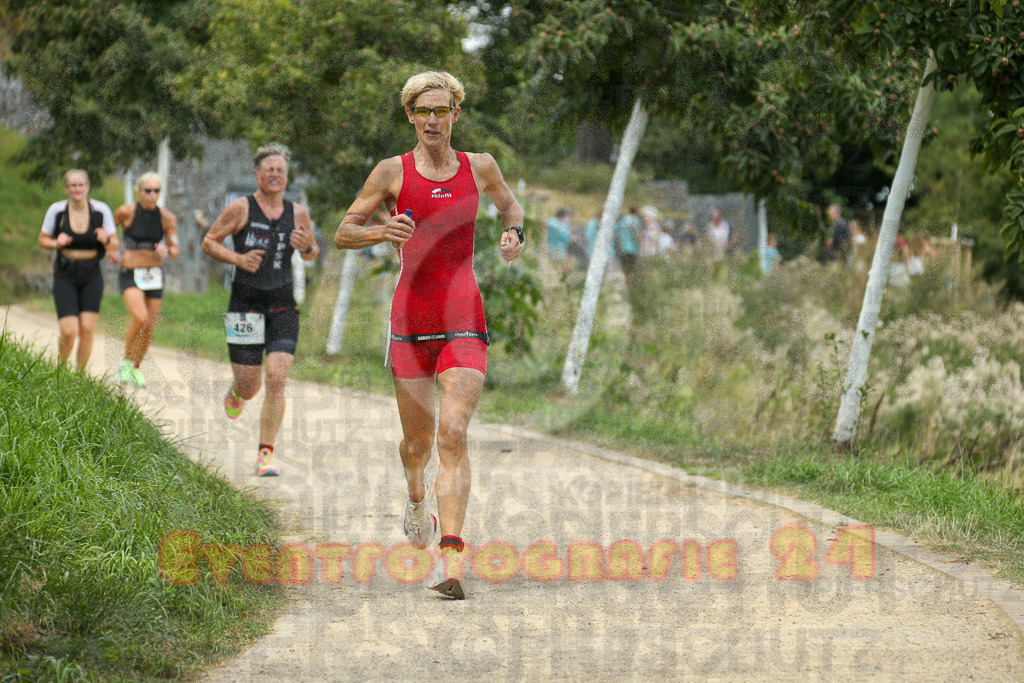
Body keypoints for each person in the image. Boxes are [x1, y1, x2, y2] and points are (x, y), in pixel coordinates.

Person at [333, 71, 523, 600]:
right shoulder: (390, 171)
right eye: (423, 111)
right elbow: (344, 231)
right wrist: (381, 231)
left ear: (455, 115)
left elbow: (510, 206)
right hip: (411, 323)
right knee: (417, 444)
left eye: (442, 110)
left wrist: (514, 232)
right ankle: (416, 497)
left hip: (464, 314)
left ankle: (452, 561)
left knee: (453, 434)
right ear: (411, 116)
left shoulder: (480, 166)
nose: (433, 119)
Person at [201, 143, 319, 476]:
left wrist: (307, 247)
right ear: (257, 175)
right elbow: (209, 241)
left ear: (287, 177)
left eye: (280, 171)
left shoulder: (298, 213)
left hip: (282, 305)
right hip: (245, 305)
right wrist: (237, 259)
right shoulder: (241, 208)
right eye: (269, 170)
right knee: (250, 386)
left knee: (277, 378)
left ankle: (264, 456)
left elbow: (312, 252)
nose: (275, 175)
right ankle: (238, 392)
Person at [37, 169, 118, 368]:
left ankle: (80, 376)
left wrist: (106, 239)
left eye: (81, 185)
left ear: (87, 187)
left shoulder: (101, 210)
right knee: (68, 330)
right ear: (66, 189)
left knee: (87, 329)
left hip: (91, 274)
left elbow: (114, 242)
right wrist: (56, 242)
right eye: (72, 185)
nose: (77, 189)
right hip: (65, 274)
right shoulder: (57, 210)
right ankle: (61, 370)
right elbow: (42, 239)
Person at [112, 172, 180, 388]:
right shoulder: (126, 211)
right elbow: (109, 233)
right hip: (131, 272)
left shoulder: (167, 218)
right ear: (139, 192)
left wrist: (168, 250)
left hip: (153, 275)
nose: (152, 195)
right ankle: (125, 363)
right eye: (147, 190)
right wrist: (111, 249)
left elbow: (175, 248)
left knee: (149, 326)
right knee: (140, 318)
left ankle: (135, 368)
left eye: (156, 191)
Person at [613, 207, 641, 280]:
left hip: (624, 245)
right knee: (632, 264)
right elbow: (639, 232)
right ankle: (629, 278)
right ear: (636, 212)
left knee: (625, 262)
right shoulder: (637, 220)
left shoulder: (624, 219)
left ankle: (625, 276)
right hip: (634, 247)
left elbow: (616, 228)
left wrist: (617, 235)